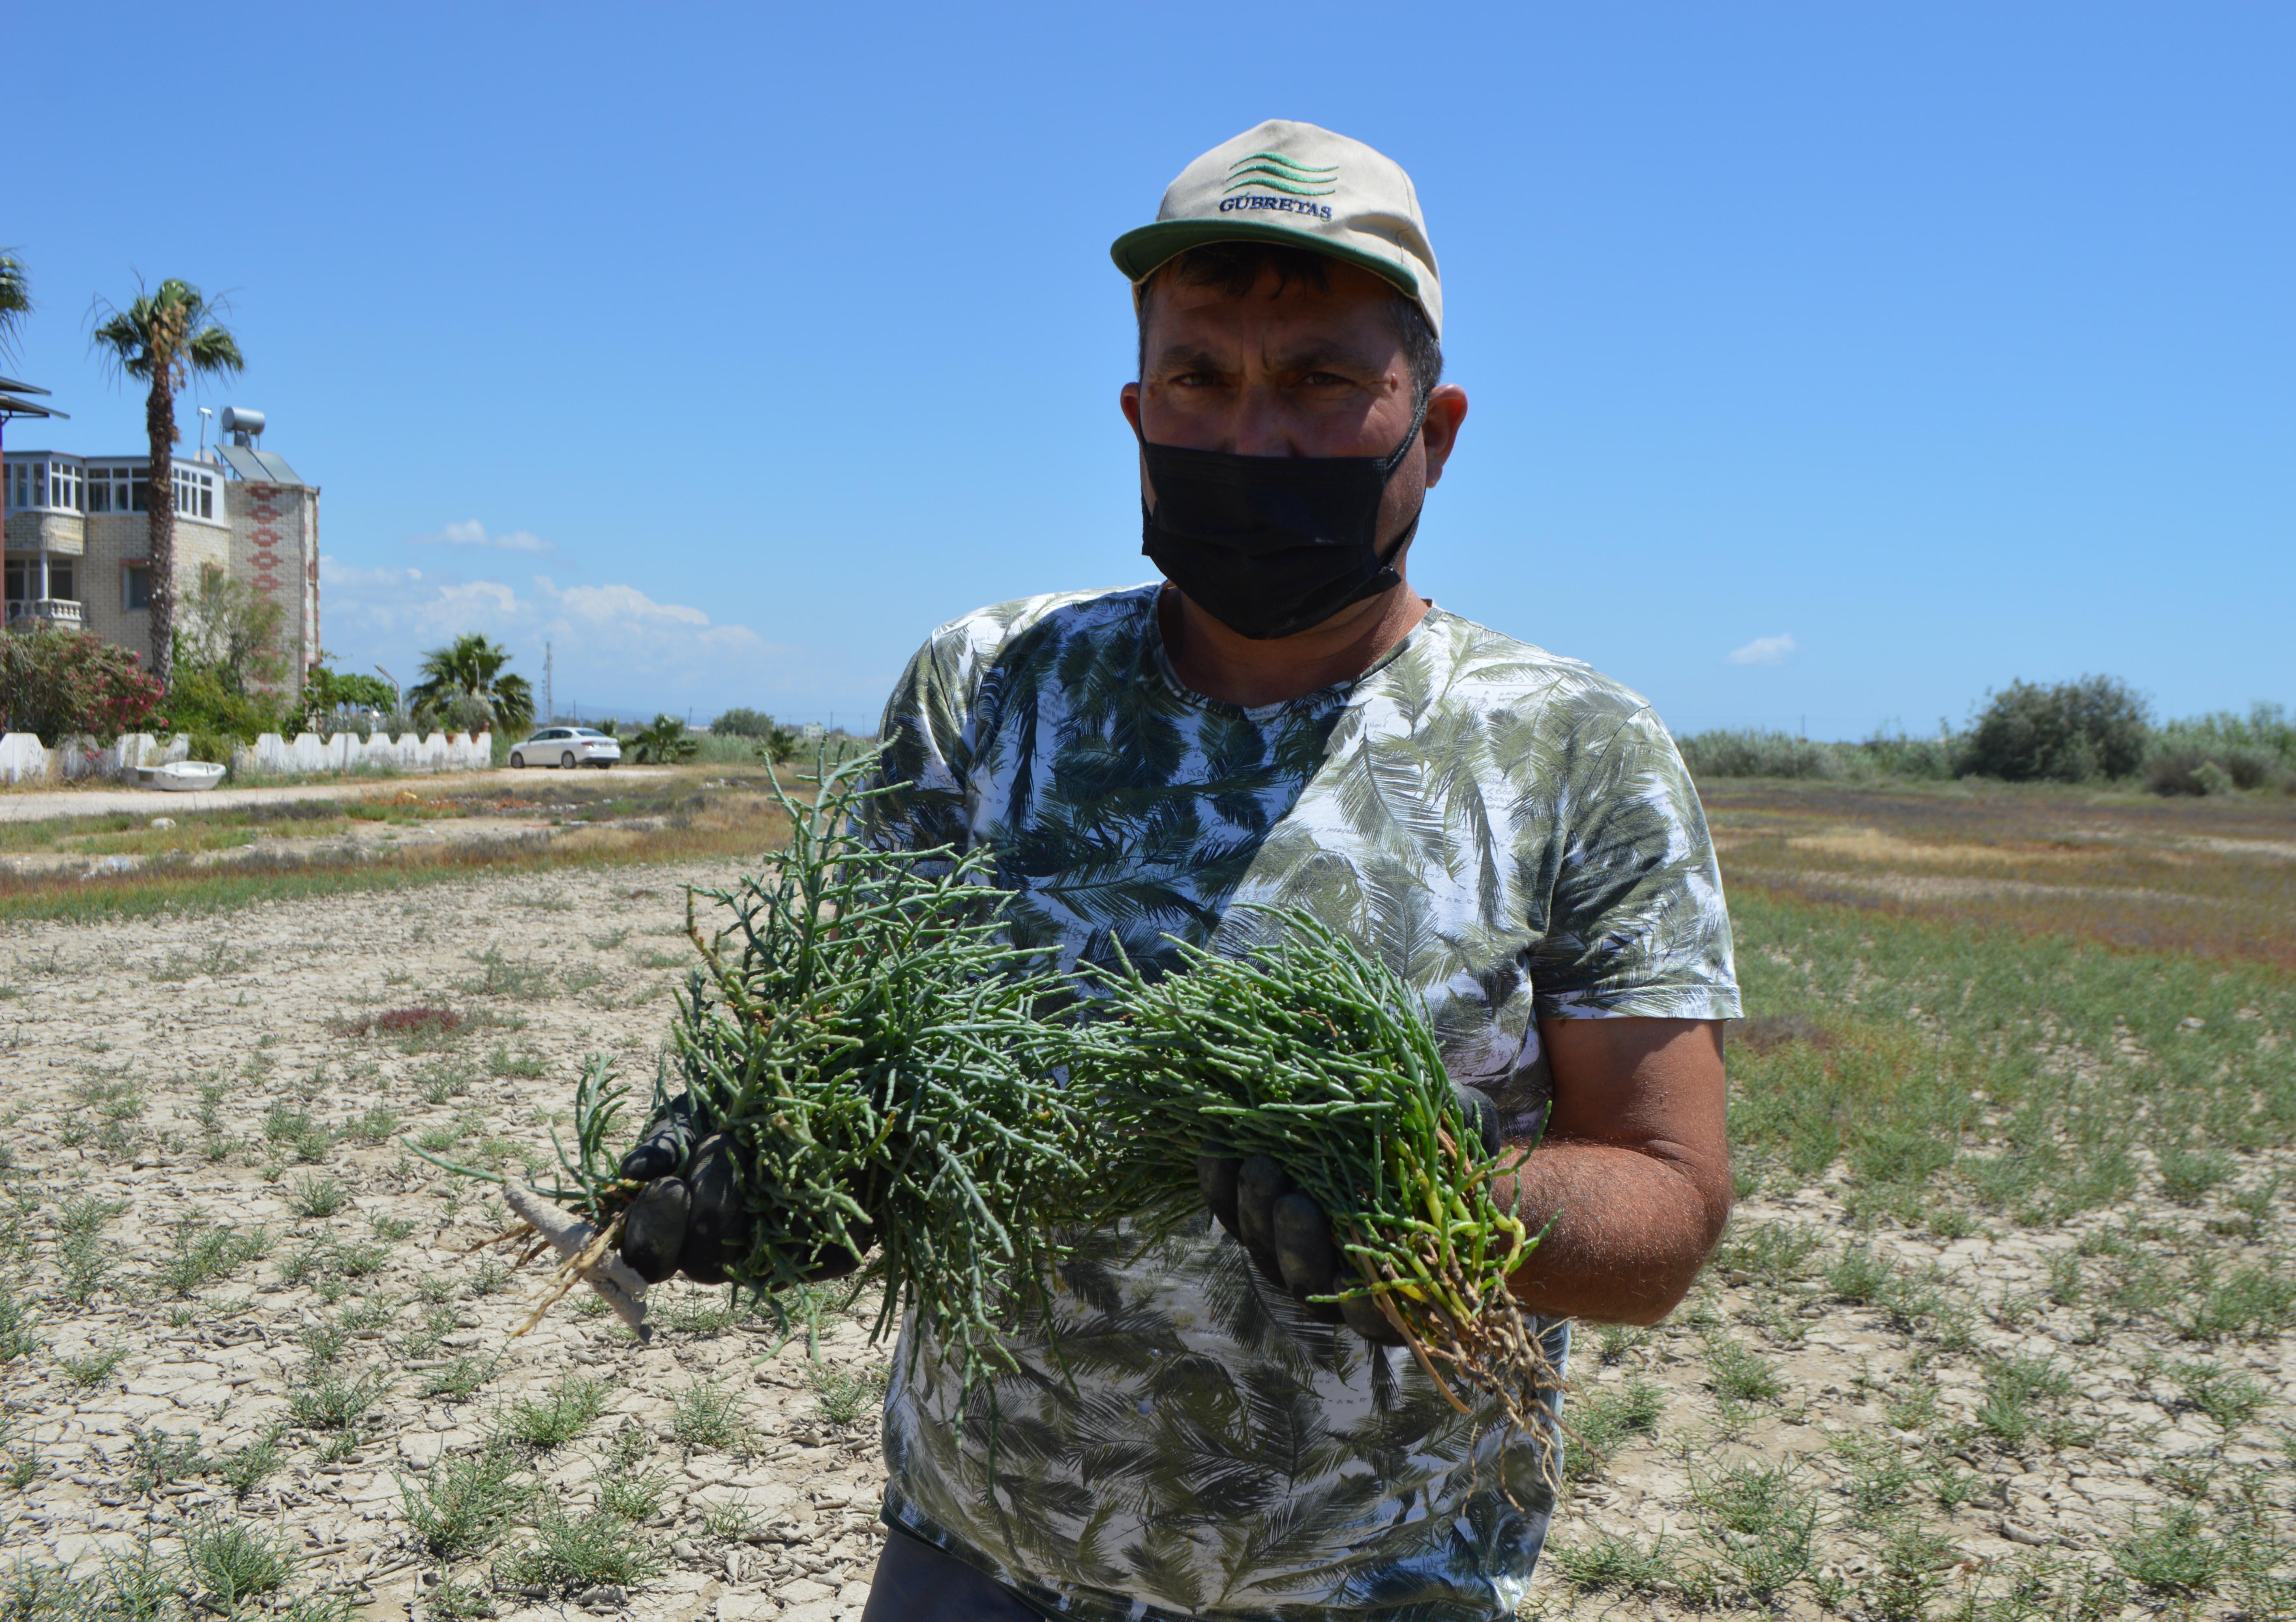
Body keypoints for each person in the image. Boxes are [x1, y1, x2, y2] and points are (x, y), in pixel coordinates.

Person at [626, 120, 1740, 1621]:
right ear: (1138, 407)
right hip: (978, 1554)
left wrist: (1435, 1199)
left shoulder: (1572, 749)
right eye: (1203, 380)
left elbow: (1666, 1210)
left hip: (1375, 1581)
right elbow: (870, 1092)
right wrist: (771, 1170)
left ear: (1438, 424)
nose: (1253, 438)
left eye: (1321, 381)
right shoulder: (991, 688)